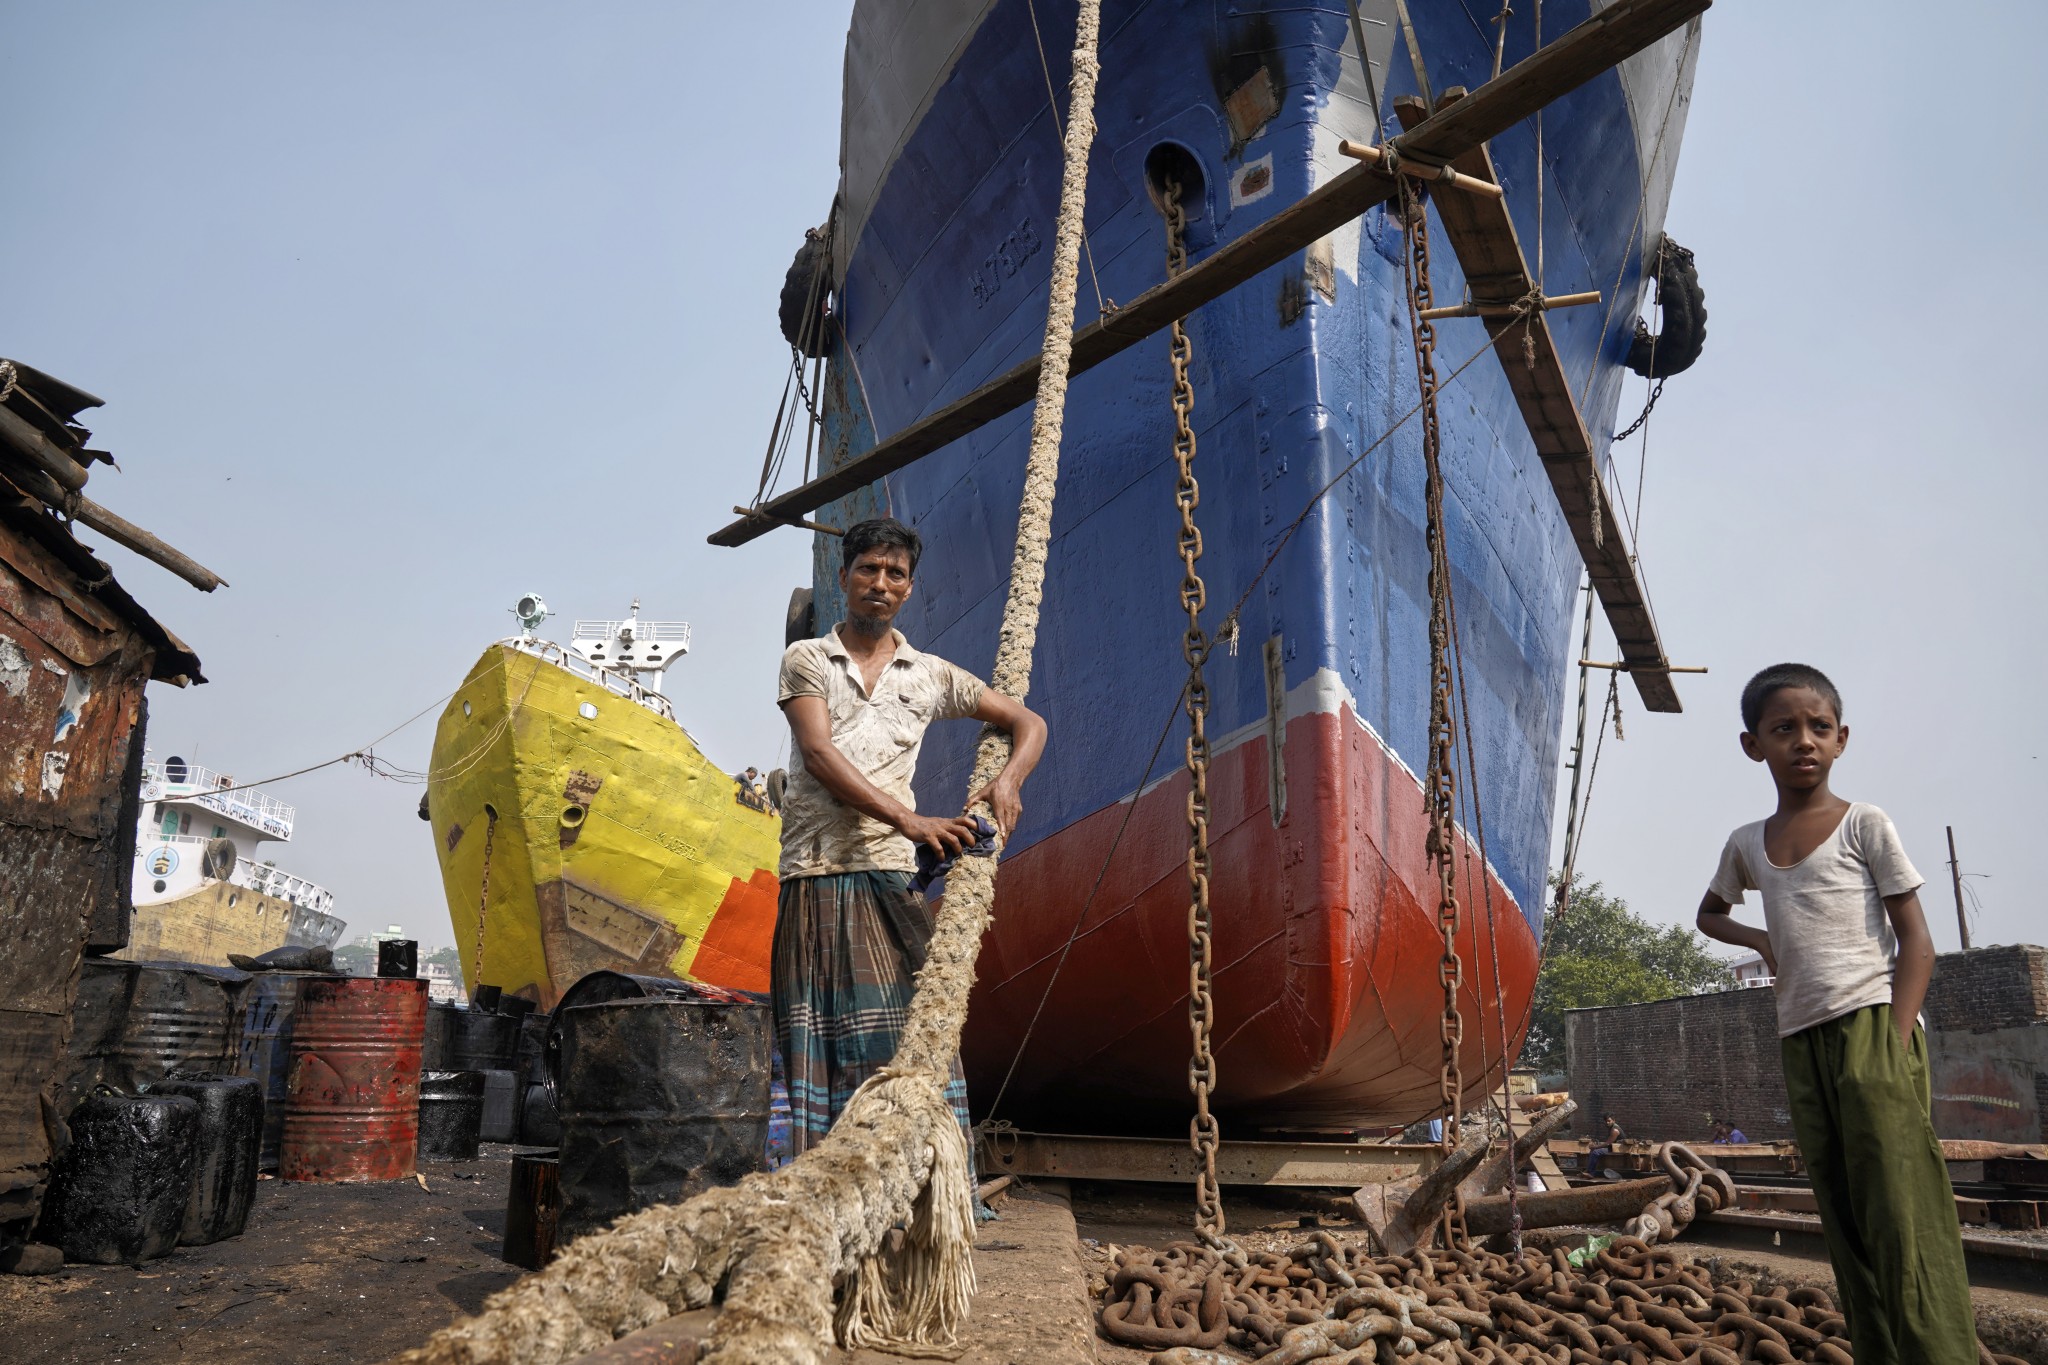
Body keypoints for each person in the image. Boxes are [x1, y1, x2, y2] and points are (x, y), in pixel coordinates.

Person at [1696, 663, 1974, 1364]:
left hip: (1873, 1028)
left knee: (1903, 1212)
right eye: (1783, 728)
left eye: (1819, 726)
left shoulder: (1864, 824)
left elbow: (1918, 943)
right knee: (1844, 1215)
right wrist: (1760, 939)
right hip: (1802, 1039)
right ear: (1753, 744)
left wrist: (1894, 1041)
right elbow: (1709, 913)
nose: (1803, 740)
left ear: (1841, 738)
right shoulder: (1748, 843)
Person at [773, 517, 1047, 1158]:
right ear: (844, 577)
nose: (880, 582)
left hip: (891, 878)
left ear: (909, 588)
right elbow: (818, 754)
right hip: (816, 874)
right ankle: (827, 1184)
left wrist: (1008, 780)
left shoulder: (929, 675)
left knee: (914, 1045)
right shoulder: (807, 659)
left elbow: (1028, 722)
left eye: (894, 573)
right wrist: (912, 821)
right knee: (819, 1055)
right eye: (868, 569)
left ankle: (923, 1184)